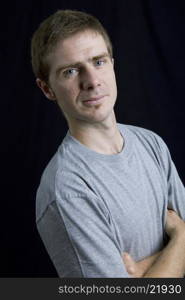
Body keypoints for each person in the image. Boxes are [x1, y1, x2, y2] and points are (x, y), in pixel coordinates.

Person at [31, 9, 185, 278]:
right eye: (71, 71)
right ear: (47, 89)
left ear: (112, 63)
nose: (91, 81)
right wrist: (181, 237)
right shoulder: (68, 189)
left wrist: (141, 270)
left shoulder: (151, 144)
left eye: (98, 62)